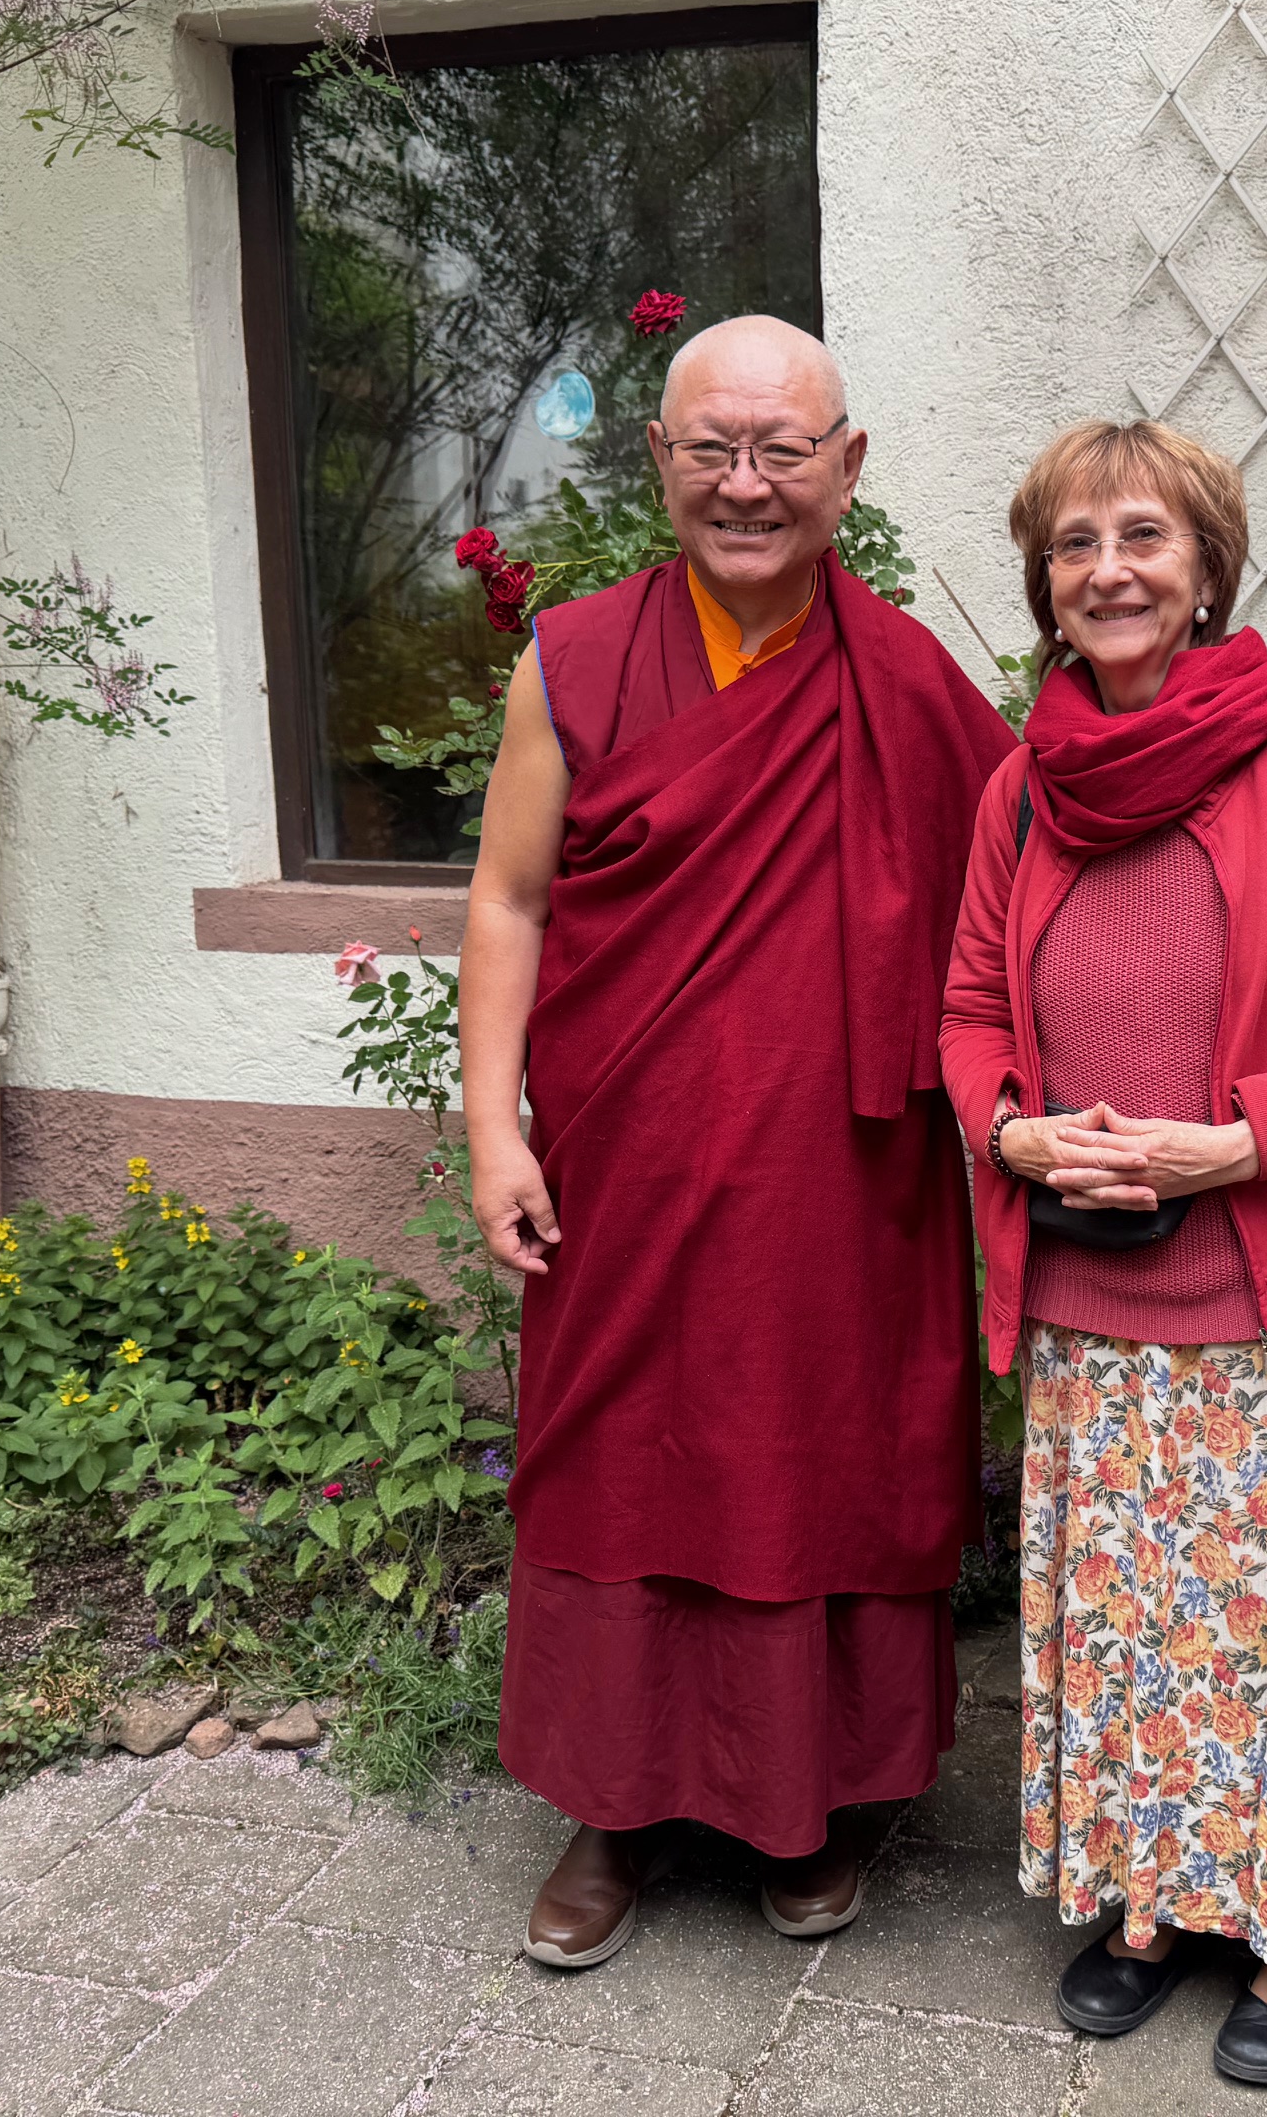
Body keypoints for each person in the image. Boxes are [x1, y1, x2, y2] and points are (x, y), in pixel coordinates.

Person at [461, 315, 1018, 1967]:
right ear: (659, 460)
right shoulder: (575, 660)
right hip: (626, 1161)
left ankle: (814, 1803)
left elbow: (1020, 907)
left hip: (844, 1178)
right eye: (713, 447)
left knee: (820, 1456)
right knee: (618, 1459)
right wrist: (491, 1129)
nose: (747, 482)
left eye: (784, 449)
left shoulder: (906, 681)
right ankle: (611, 1809)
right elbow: (507, 898)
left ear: (850, 469)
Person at [938, 419, 1267, 2087]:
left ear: (1207, 567)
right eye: (1075, 545)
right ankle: (1149, 1902)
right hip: (1087, 1295)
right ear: (1046, 585)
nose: (1111, 571)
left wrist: (1235, 1141)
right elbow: (966, 1012)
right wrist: (1014, 1130)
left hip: (1265, 1299)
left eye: (1143, 536)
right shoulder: (1023, 788)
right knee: (1125, 1621)